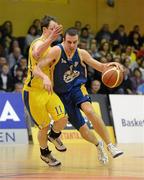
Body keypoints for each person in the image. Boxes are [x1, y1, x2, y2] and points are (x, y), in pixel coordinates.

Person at [33, 27, 124, 164]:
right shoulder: (56, 51)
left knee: (89, 110)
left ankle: (111, 146)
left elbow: (100, 66)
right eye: (69, 42)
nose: (72, 45)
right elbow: (37, 66)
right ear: (63, 40)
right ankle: (98, 145)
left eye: (75, 42)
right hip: (61, 94)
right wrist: (44, 78)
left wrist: (113, 66)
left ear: (78, 41)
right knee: (84, 131)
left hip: (77, 89)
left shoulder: (81, 53)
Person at [22, 16, 68, 167]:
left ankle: (54, 136)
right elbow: (35, 58)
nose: (56, 31)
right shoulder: (38, 43)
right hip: (33, 92)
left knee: (62, 118)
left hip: (48, 91)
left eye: (57, 28)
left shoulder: (53, 47)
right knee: (44, 126)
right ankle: (45, 153)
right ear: (45, 30)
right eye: (53, 28)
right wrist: (44, 77)